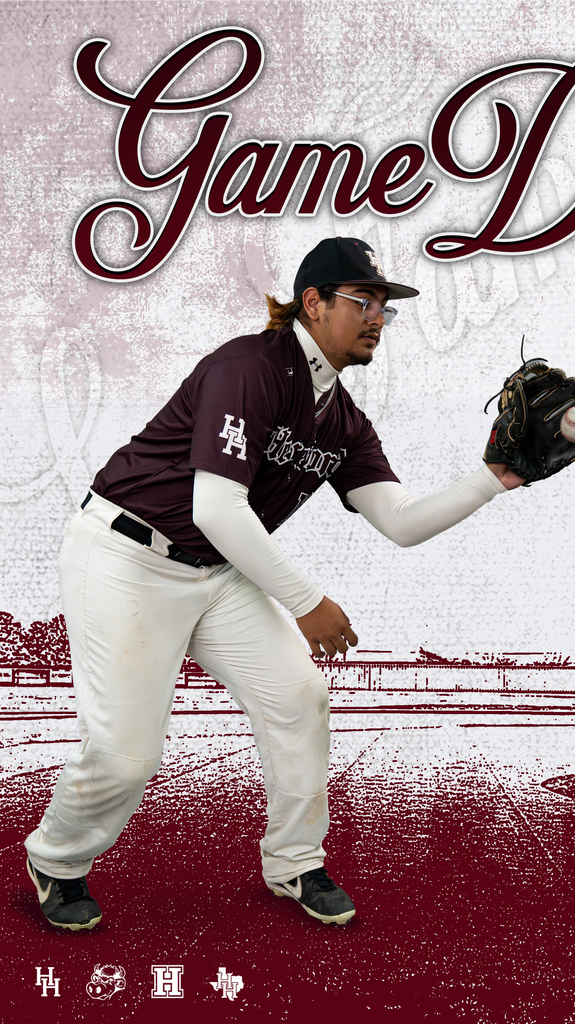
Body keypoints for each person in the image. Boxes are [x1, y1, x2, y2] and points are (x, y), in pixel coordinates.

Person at [24, 237, 523, 930]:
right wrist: (306, 602)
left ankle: (294, 862)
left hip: (217, 569)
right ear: (312, 304)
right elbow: (215, 507)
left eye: (384, 305)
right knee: (126, 753)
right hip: (127, 556)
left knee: (298, 694)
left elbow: (401, 522)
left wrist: (493, 479)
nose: (377, 316)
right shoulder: (248, 367)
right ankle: (57, 859)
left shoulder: (343, 418)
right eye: (362, 301)